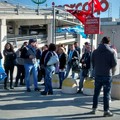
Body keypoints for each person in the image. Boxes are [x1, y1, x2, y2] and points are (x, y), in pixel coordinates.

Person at [91, 36, 117, 117]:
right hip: (107, 75)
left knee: (96, 93)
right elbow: (114, 64)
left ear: (102, 42)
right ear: (109, 42)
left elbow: (93, 63)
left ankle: (94, 109)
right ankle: (106, 110)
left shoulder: (95, 52)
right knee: (106, 94)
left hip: (98, 74)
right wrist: (112, 73)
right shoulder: (111, 52)